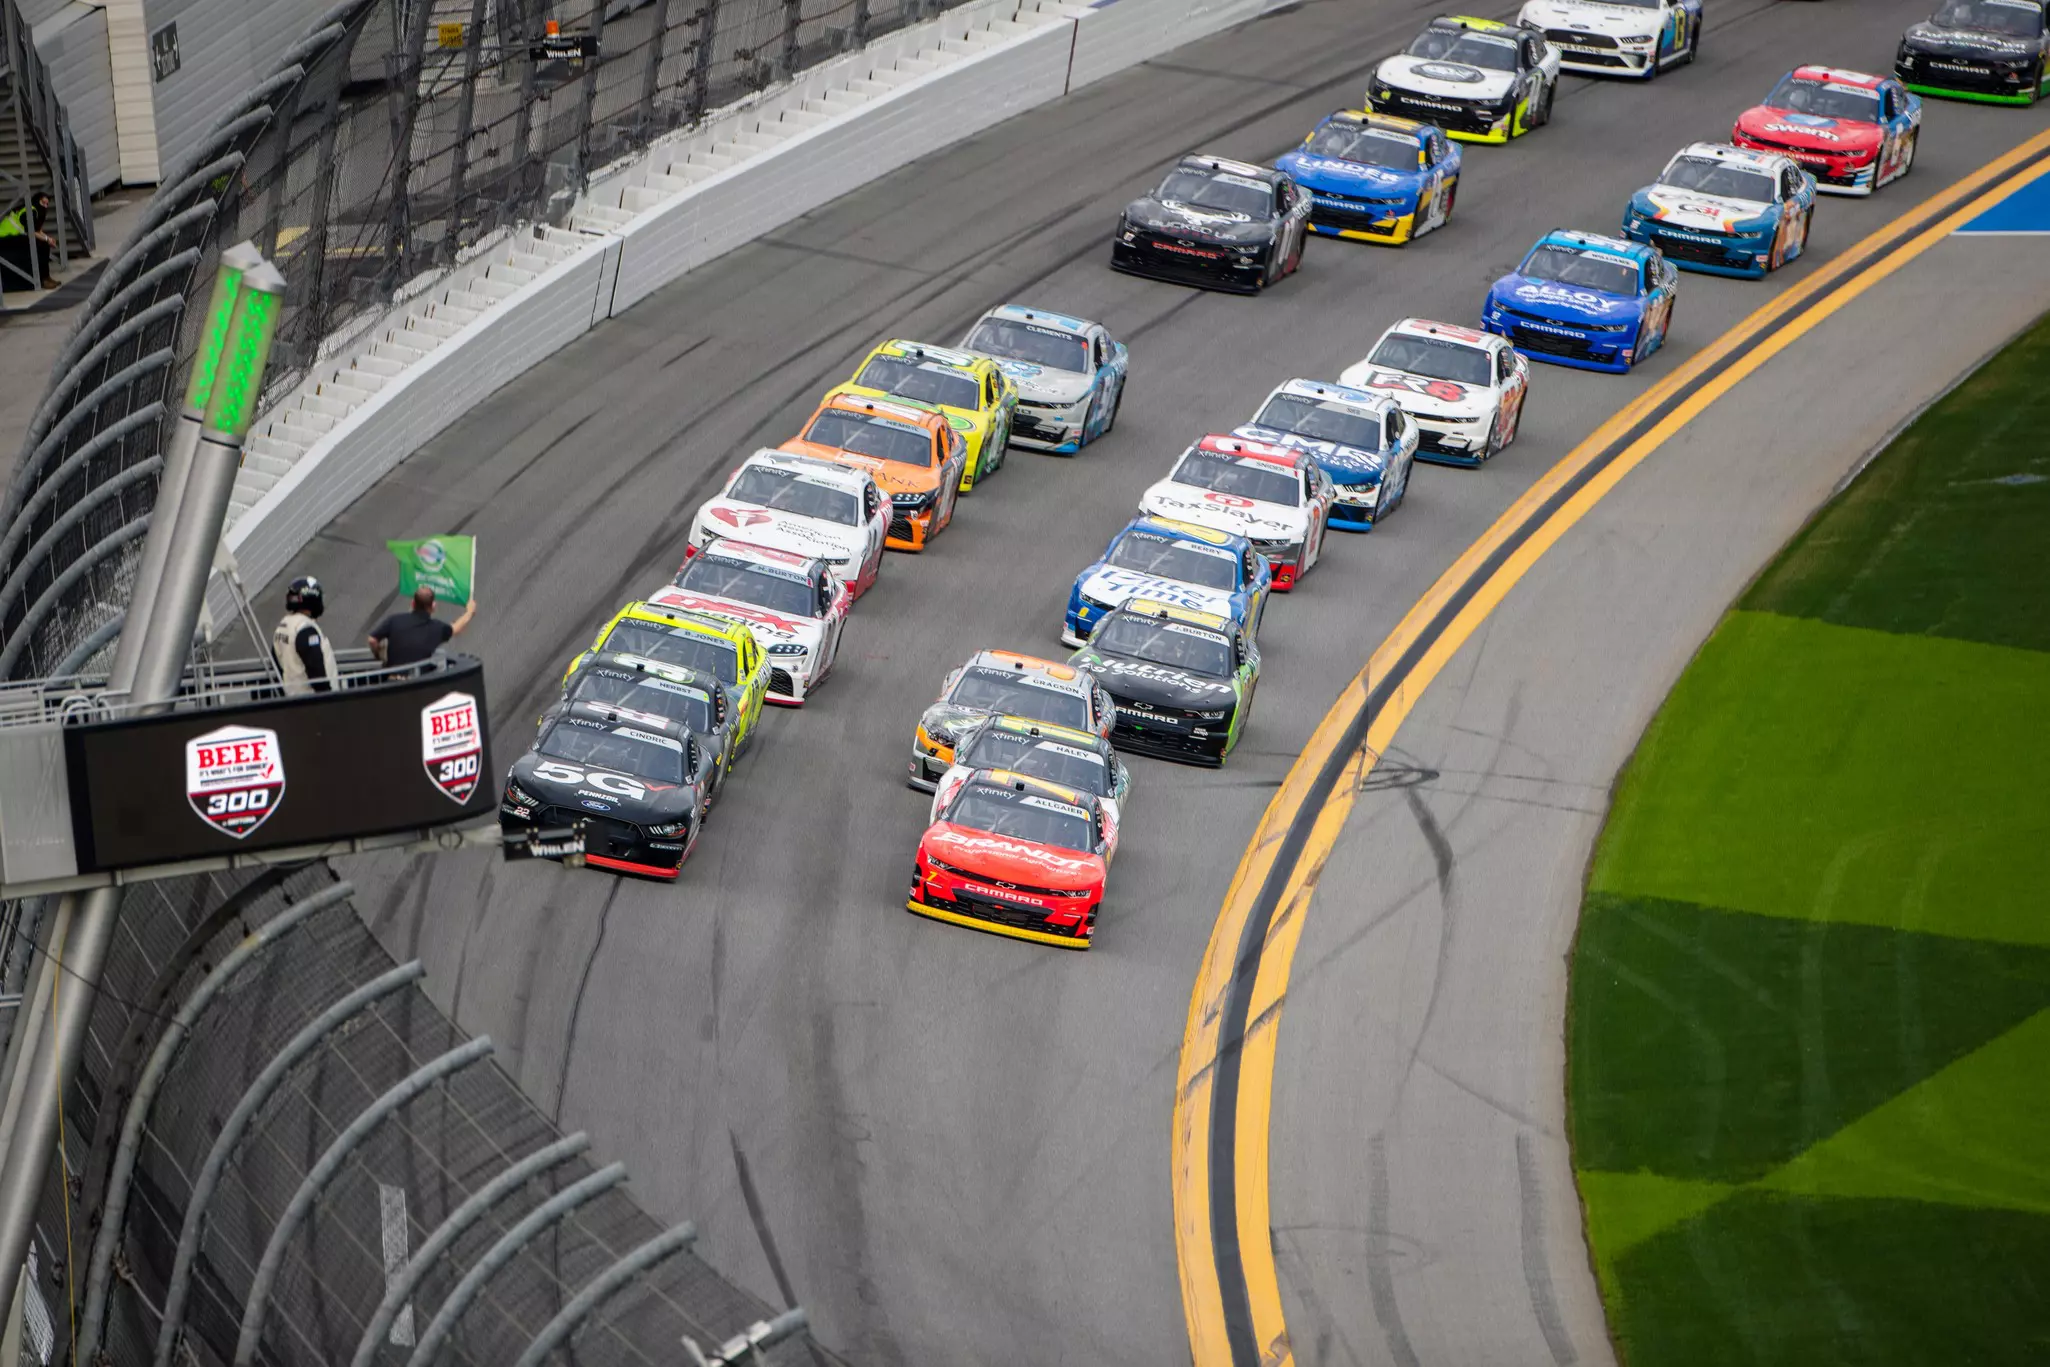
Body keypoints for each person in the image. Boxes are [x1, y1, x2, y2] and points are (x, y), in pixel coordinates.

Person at [369, 585, 477, 668]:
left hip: (392, 679)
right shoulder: (437, 628)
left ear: (412, 603)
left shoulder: (393, 620)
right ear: (433, 607)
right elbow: (455, 628)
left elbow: (372, 640)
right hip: (419, 681)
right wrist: (469, 612)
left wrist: (378, 654)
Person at [272, 576, 339, 695]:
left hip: (293, 698)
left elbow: (276, 661)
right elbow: (316, 670)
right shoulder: (305, 628)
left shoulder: (283, 626)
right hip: (313, 702)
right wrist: (328, 697)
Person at [0, 192, 62, 292]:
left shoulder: (34, 210)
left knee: (43, 245)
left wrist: (48, 238)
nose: (45, 206)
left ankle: (46, 277)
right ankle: (43, 279)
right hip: (4, 239)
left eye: (47, 204)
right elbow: (32, 231)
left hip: (12, 237)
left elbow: (37, 229)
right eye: (43, 203)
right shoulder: (30, 211)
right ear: (37, 201)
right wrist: (47, 239)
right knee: (40, 246)